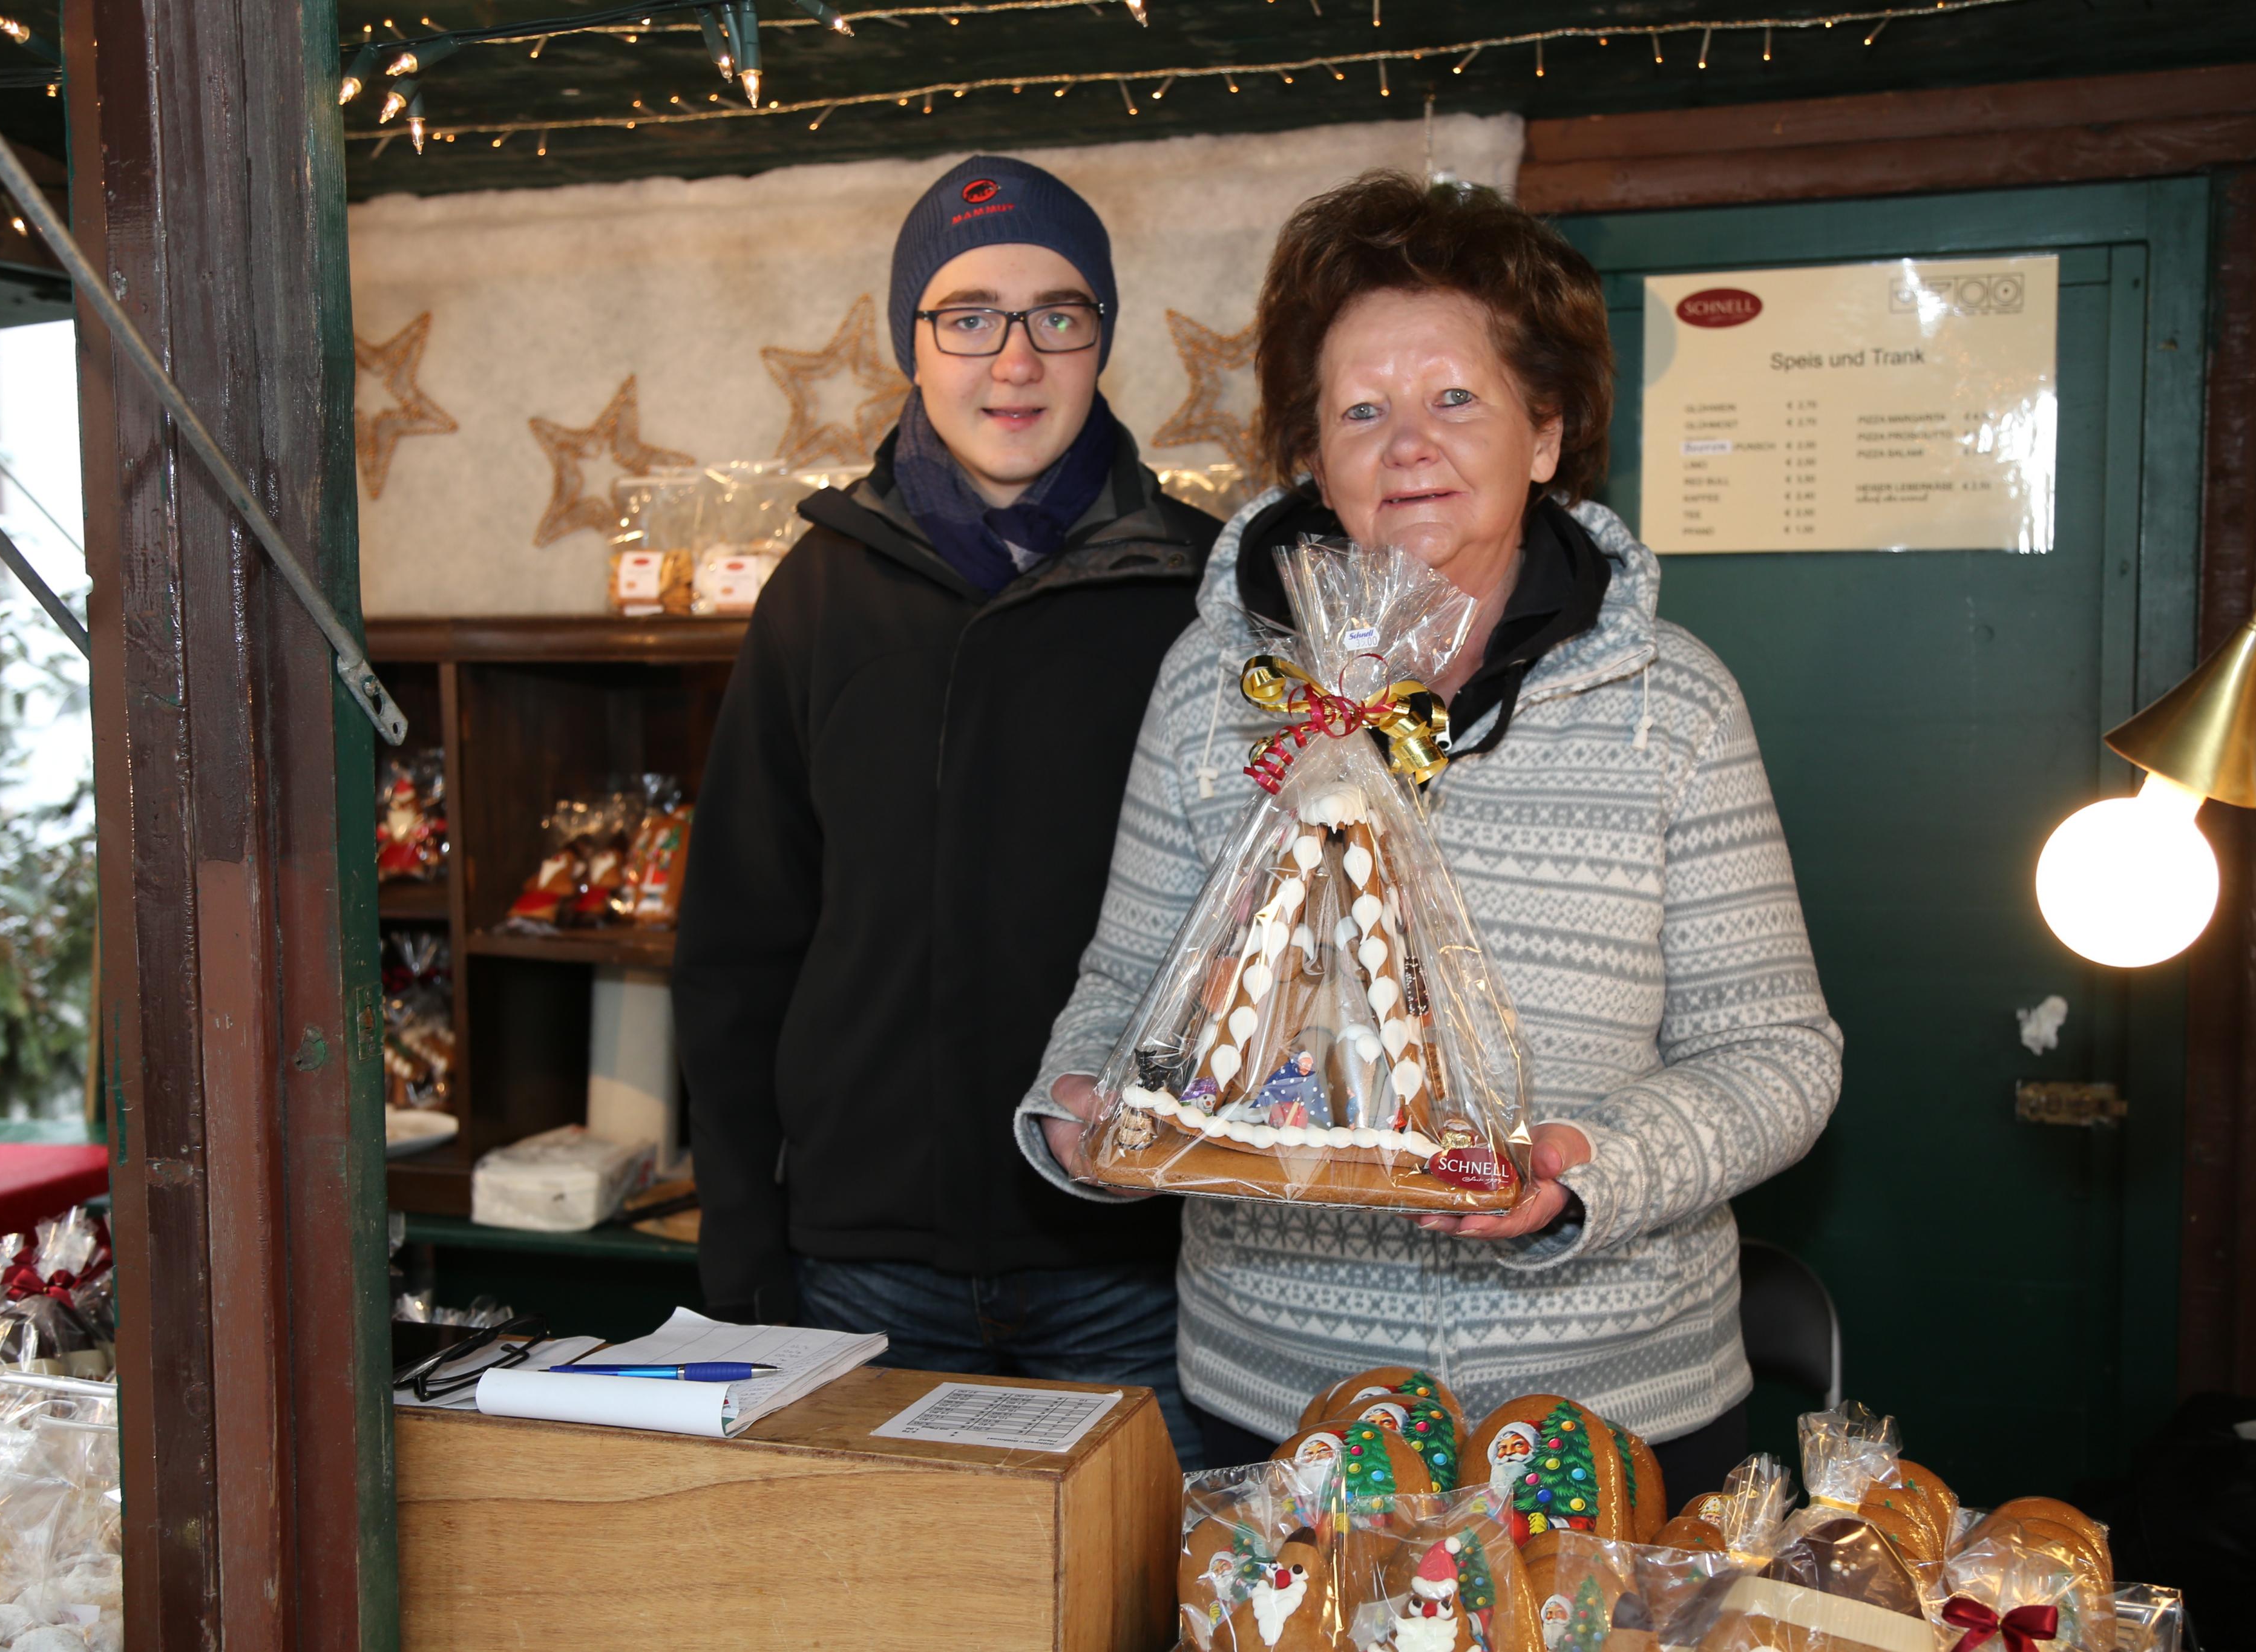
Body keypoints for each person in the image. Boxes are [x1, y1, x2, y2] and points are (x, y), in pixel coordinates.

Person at [1014, 172, 1841, 1506]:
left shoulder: (1671, 702)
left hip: (1610, 1410)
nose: (1407, 446)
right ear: (1312, 455)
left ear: (1546, 433)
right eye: (1361, 411)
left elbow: (1780, 1055)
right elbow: (1123, 984)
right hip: (1280, 1401)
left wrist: (1592, 1169)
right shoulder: (1215, 688)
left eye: (1455, 398)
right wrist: (1085, 1104)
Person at [675, 154, 1220, 1466]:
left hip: (1131, 1253)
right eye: (969, 316)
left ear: (1102, 338)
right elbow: (739, 943)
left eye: (1057, 315)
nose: (1014, 360)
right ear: (909, 343)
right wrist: (740, 1242)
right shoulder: (817, 596)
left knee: (1149, 1577)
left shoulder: (1203, 591)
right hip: (865, 1263)